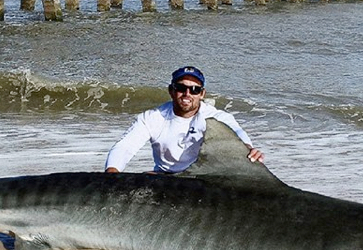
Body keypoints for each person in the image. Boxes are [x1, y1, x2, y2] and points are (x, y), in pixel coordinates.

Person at [104, 66, 264, 173]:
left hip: (203, 178)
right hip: (165, 177)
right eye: (181, 88)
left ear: (202, 94)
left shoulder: (217, 117)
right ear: (171, 91)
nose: (187, 94)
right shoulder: (153, 117)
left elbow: (239, 136)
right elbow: (124, 148)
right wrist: (111, 174)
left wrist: (249, 149)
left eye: (194, 90)